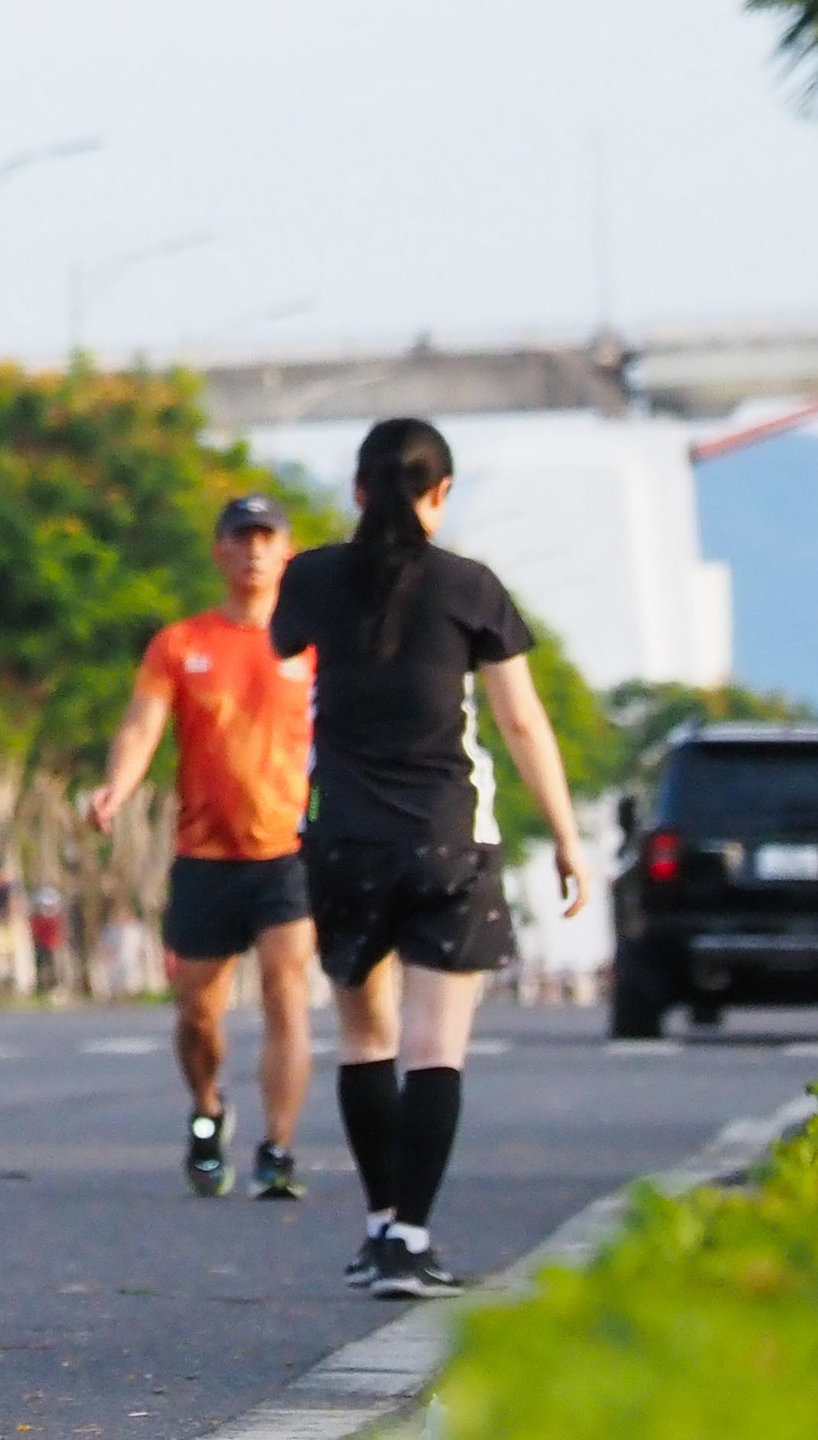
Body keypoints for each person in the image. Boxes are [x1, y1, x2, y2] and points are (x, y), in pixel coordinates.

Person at [268, 418, 585, 1302]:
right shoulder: (471, 587)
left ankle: (376, 1229)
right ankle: (412, 1234)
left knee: (364, 1038)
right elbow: (521, 721)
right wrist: (564, 835)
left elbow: (285, 653)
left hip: (344, 840)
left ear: (359, 492)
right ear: (441, 495)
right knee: (434, 1048)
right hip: (450, 840)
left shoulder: (314, 576)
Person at [81, 491, 320, 1201]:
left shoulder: (311, 645)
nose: (253, 551)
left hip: (288, 851)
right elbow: (140, 726)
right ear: (219, 552)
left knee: (287, 991)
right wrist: (118, 786)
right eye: (240, 538)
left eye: (266, 538)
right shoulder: (181, 645)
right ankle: (209, 1108)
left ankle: (278, 1147)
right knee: (197, 1014)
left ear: (287, 552)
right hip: (205, 858)